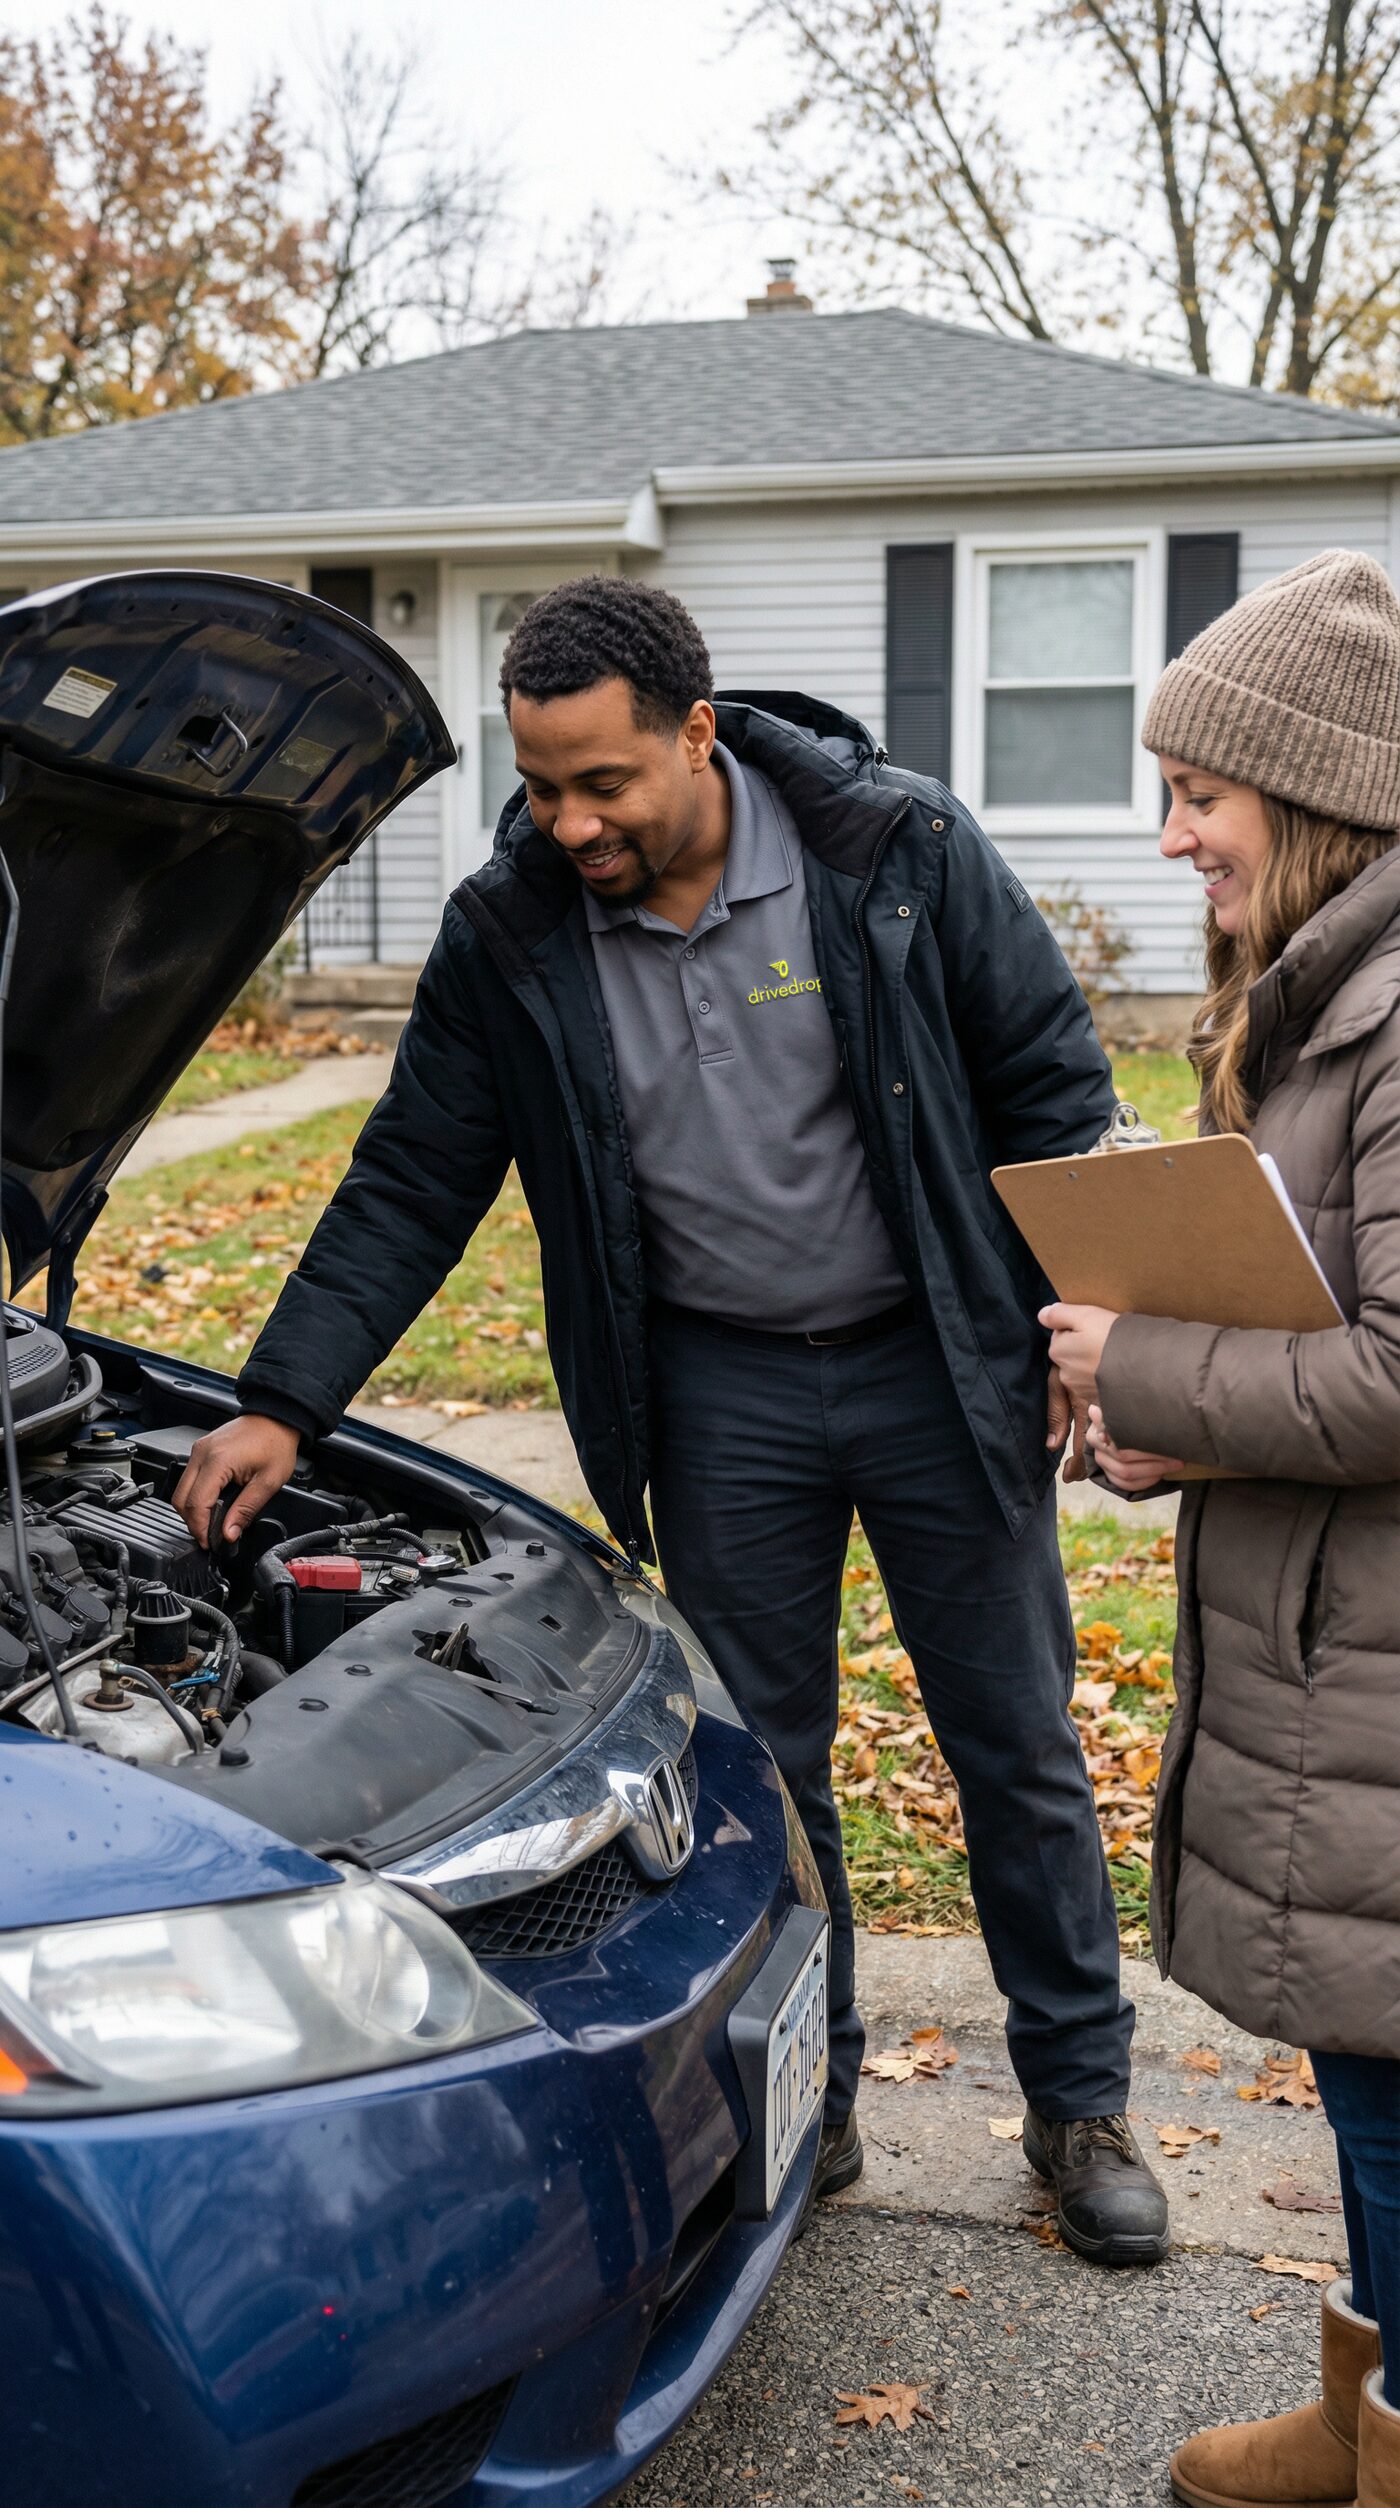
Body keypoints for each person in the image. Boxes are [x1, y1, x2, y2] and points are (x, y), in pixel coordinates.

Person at [175, 574, 1167, 2263]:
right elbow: (415, 1175)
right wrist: (282, 1401)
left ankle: (1079, 2101)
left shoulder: (895, 855)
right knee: (763, 1770)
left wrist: (1097, 1335)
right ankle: (815, 2086)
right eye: (540, 783)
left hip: (938, 1362)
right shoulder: (515, 930)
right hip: (717, 1395)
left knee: (1014, 1746)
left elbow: (1061, 1092)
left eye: (600, 783)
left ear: (697, 736)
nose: (565, 820)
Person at [1044, 548, 1400, 2505]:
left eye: (1199, 789)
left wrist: (1149, 1366)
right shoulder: (1312, 1005)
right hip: (1328, 1654)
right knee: (1371, 2084)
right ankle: (1361, 2418)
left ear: (1314, 788)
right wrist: (1137, 1416)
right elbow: (1295, 1337)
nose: (1166, 828)